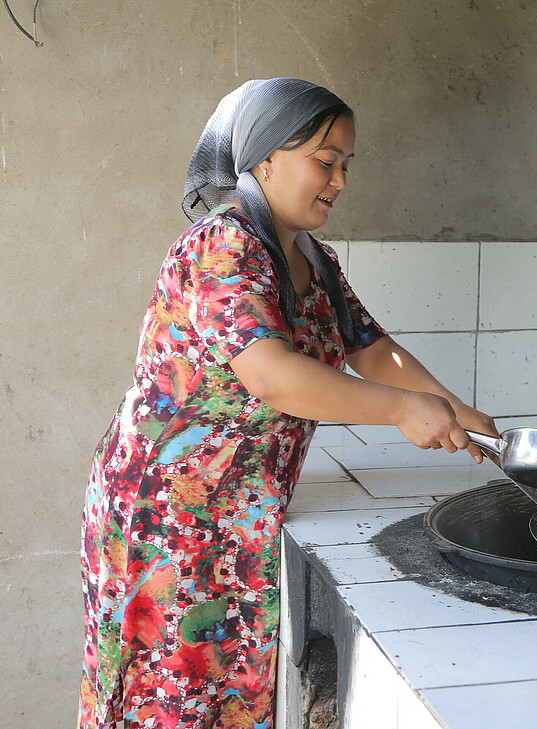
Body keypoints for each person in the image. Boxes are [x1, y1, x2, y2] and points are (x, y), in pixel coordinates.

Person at [78, 77, 497, 729]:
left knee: (224, 694)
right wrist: (400, 410)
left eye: (347, 165)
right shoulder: (225, 245)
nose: (340, 180)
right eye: (325, 161)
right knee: (171, 698)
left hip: (238, 507)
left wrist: (452, 406)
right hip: (169, 516)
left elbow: (370, 346)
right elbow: (270, 373)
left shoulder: (314, 258)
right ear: (264, 156)